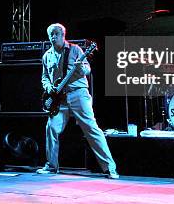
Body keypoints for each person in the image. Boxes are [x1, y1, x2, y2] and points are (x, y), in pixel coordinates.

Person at [37, 23, 119, 179]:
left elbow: (87, 69)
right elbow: (45, 77)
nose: (53, 37)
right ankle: (51, 166)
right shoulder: (47, 56)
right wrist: (48, 88)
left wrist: (81, 68)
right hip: (59, 99)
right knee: (51, 128)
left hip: (78, 94)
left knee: (91, 128)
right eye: (50, 35)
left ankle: (109, 168)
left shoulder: (75, 50)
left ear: (63, 35)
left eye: (56, 34)